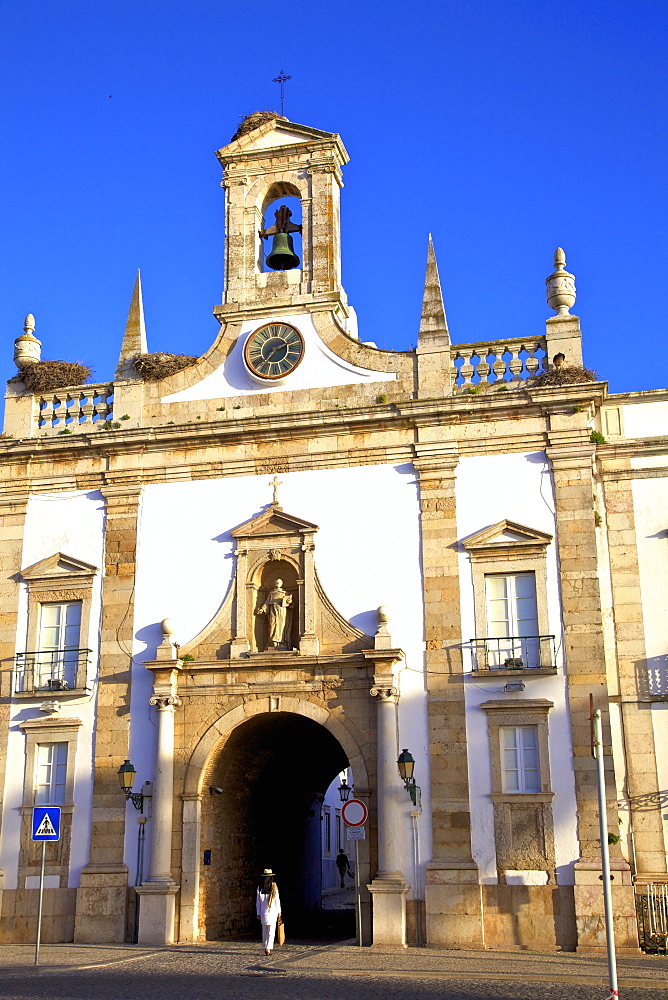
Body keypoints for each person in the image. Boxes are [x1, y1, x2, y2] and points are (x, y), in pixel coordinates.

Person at [256, 868, 281, 955]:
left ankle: (265, 946)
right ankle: (268, 948)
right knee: (271, 931)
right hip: (272, 911)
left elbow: (258, 902)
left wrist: (258, 913)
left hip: (263, 912)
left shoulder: (259, 888)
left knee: (264, 931)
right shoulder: (274, 887)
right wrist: (279, 911)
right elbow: (277, 900)